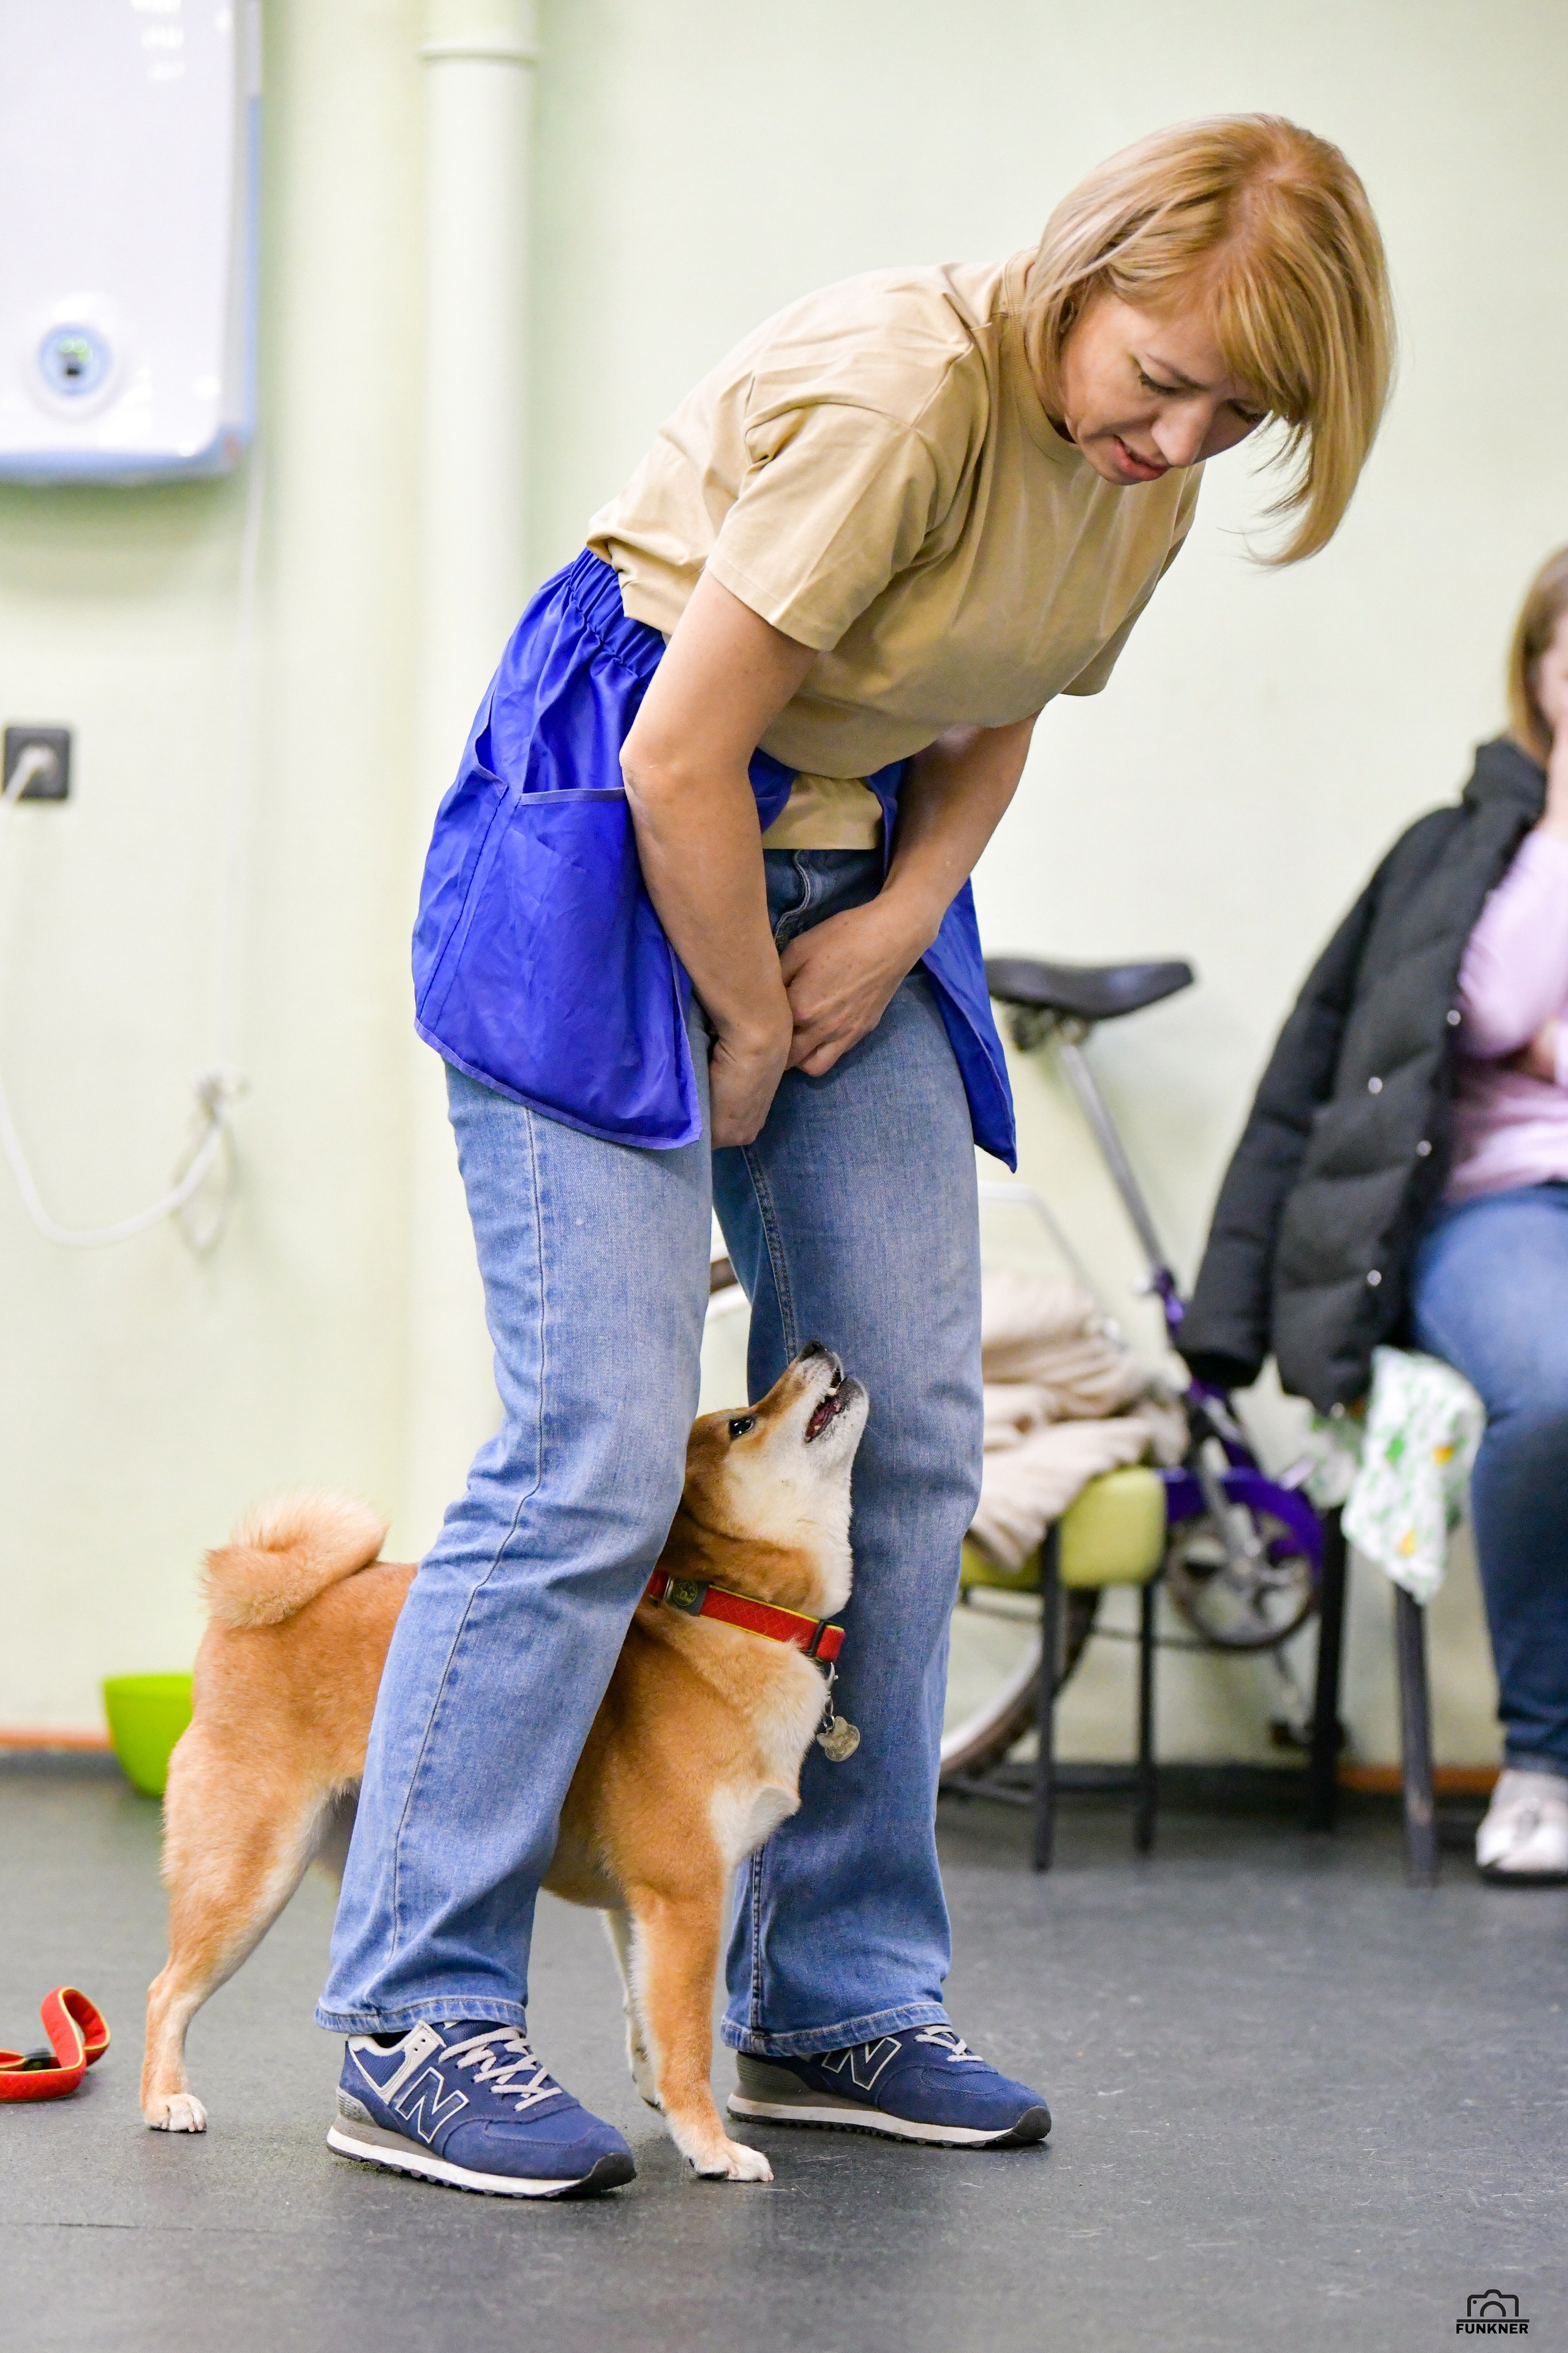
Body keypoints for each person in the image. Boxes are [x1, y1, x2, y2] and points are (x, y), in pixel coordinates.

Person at [318, 114, 1395, 2199]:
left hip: (849, 856)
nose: (1180, 436)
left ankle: (830, 1998)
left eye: (1232, 412)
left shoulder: (1129, 474)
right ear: (1089, 270)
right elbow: (676, 753)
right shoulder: (912, 389)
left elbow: (1004, 704)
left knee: (904, 1433)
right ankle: (417, 2012)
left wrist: (895, 930)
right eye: (1162, 376)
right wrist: (742, 1018)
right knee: (601, 1450)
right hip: (614, 833)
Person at [1183, 547, 1568, 1887]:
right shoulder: (1455, 853)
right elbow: (1329, 1065)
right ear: (1535, 672)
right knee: (1556, 1393)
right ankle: (1542, 1760)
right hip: (1502, 1204)